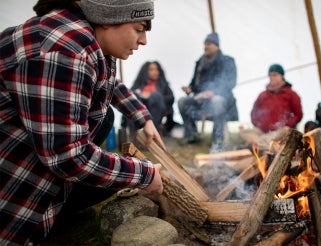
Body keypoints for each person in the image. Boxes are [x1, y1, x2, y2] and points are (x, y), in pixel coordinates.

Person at [0, 0, 165, 245]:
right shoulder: (66, 52)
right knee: (107, 166)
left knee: (105, 116)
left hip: (39, 158)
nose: (143, 41)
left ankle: (59, 210)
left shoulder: (88, 39)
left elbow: (109, 83)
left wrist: (143, 117)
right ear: (109, 19)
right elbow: (68, 157)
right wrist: (144, 172)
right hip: (12, 195)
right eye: (139, 29)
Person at [178, 32, 238, 152]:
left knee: (217, 101)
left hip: (222, 100)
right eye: (205, 44)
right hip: (202, 101)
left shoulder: (227, 61)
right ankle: (192, 134)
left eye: (209, 43)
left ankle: (218, 140)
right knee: (182, 101)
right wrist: (190, 89)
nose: (206, 46)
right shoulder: (200, 63)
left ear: (217, 46)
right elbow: (195, 84)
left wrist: (214, 92)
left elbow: (231, 82)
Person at [251, 64, 303, 133]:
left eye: (275, 75)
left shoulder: (291, 94)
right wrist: (258, 125)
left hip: (282, 132)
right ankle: (261, 141)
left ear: (281, 76)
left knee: (281, 134)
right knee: (245, 133)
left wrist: (286, 125)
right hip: (263, 132)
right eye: (270, 75)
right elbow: (254, 112)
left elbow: (298, 115)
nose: (272, 77)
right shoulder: (262, 95)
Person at [129, 61, 176, 135]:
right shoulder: (138, 84)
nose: (155, 72)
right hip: (140, 110)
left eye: (157, 69)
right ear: (145, 71)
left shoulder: (163, 85)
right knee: (134, 96)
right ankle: (134, 135)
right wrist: (142, 96)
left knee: (156, 96)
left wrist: (150, 96)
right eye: (151, 69)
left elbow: (171, 98)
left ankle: (152, 133)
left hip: (157, 109)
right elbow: (128, 96)